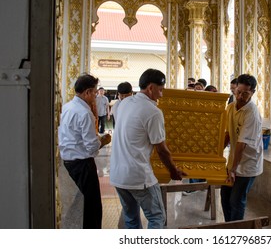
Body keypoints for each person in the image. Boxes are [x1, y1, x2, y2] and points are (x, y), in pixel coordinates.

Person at [110, 68, 187, 229]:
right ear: (151, 87)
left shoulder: (123, 103)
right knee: (157, 217)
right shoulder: (153, 112)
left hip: (118, 175)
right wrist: (173, 170)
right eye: (160, 90)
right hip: (139, 177)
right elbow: (161, 149)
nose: (161, 95)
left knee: (130, 218)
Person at [58, 73, 111, 229]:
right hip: (82, 164)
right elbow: (91, 146)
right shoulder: (84, 112)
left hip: (68, 160)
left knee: (79, 203)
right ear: (87, 92)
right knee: (92, 206)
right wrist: (102, 141)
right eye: (94, 92)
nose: (95, 96)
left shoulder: (67, 107)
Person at [221, 74, 263, 222]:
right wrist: (216, 154)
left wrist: (233, 169)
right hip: (233, 160)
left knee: (236, 200)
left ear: (252, 93)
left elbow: (241, 144)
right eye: (238, 92)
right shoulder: (231, 107)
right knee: (225, 198)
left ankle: (237, 232)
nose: (240, 96)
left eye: (245, 93)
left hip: (248, 163)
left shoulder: (252, 113)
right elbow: (227, 132)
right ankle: (229, 227)